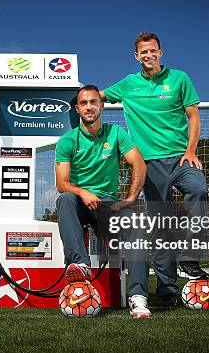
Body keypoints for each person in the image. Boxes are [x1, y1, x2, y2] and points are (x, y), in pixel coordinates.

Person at [101, 32, 209, 306]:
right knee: (159, 228)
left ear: (161, 52)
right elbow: (96, 96)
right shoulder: (128, 84)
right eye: (143, 52)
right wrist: (63, 95)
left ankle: (189, 258)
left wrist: (190, 150)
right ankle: (168, 291)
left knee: (199, 189)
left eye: (153, 51)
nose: (148, 55)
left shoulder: (179, 78)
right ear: (136, 56)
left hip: (181, 158)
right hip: (150, 165)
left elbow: (193, 115)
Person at [55, 84, 154, 319]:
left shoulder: (116, 133)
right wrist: (84, 193)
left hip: (108, 206)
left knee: (137, 225)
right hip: (79, 204)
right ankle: (80, 265)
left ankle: (138, 297)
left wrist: (130, 198)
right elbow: (62, 183)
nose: (89, 107)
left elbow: (139, 164)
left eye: (93, 102)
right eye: (83, 103)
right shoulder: (67, 141)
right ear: (77, 109)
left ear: (101, 106)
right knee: (65, 199)